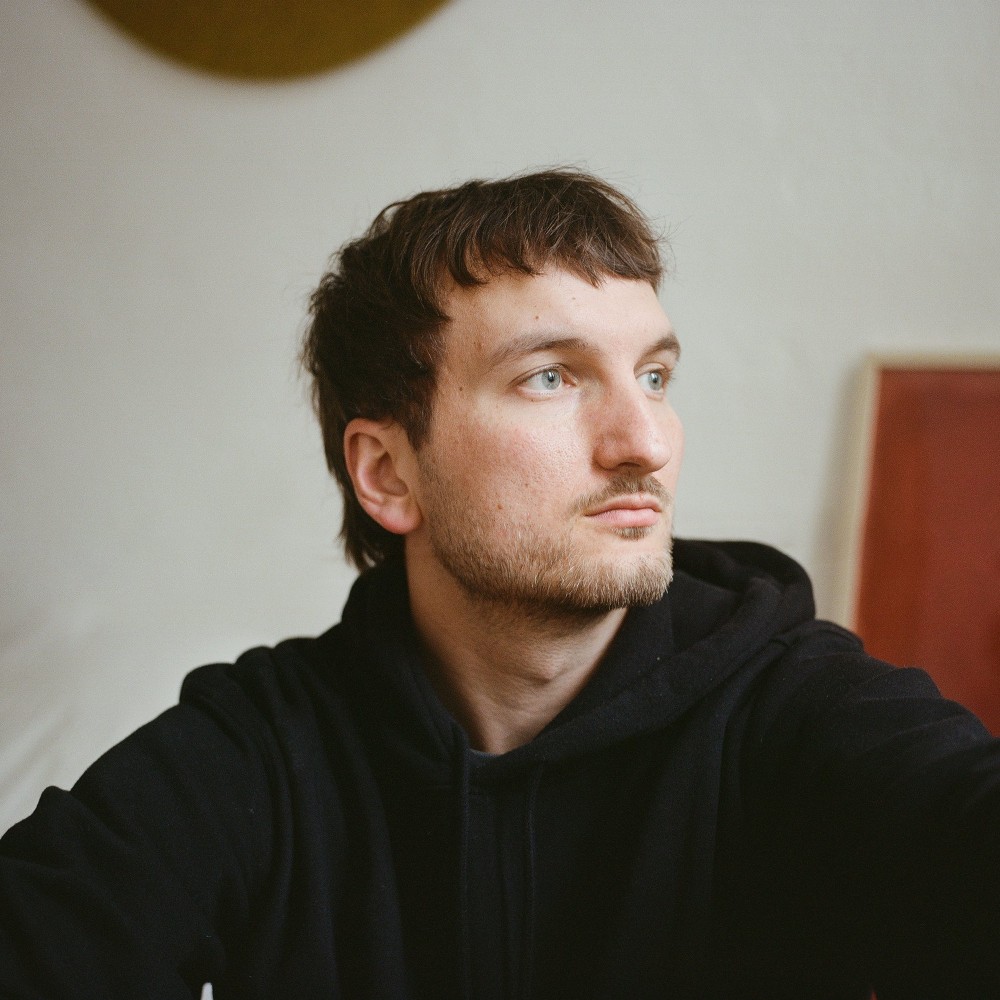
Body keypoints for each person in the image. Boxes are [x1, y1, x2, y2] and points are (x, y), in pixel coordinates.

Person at [1, 169, 998, 999]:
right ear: (388, 473)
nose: (644, 442)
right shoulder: (261, 754)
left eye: (654, 376)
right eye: (550, 377)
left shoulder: (795, 710)